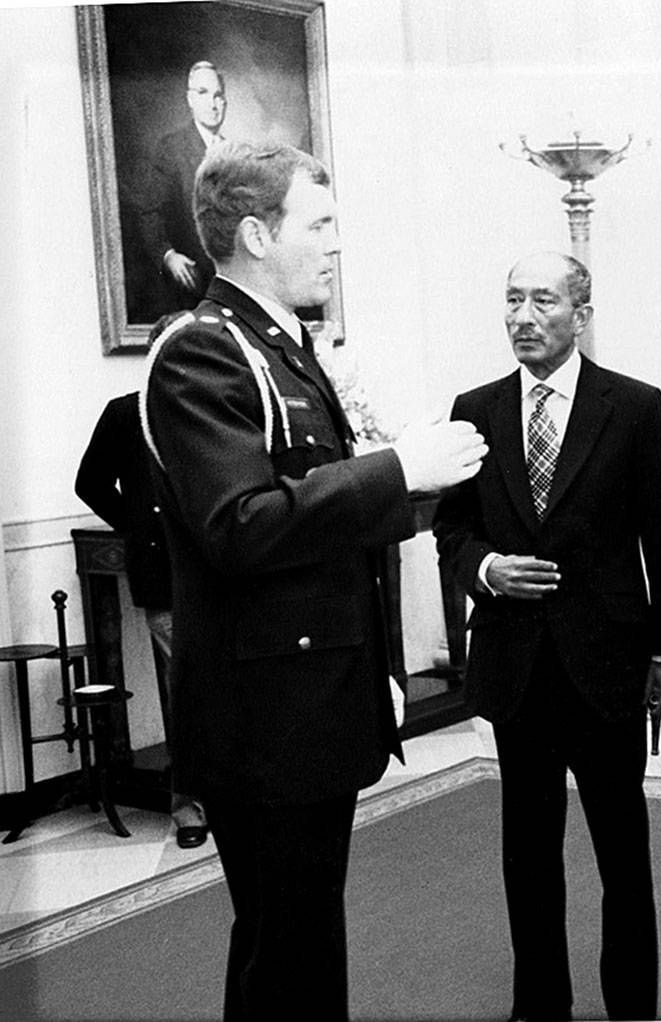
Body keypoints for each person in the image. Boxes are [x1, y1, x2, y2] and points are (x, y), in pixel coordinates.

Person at [142, 140, 487, 1020]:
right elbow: (240, 526)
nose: (336, 244)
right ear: (257, 234)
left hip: (307, 696)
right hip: (263, 714)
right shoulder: (202, 352)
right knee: (285, 953)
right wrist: (398, 468)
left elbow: (322, 527)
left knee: (294, 943)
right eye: (320, 224)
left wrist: (374, 666)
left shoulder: (281, 347)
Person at [433, 251, 661, 1022]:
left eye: (543, 300)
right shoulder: (473, 408)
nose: (522, 316)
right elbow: (453, 527)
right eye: (512, 300)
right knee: (529, 856)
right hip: (516, 664)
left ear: (581, 313)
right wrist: (486, 571)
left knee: (622, 857)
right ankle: (538, 1006)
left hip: (605, 665)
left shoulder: (634, 407)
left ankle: (631, 1007)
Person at [75, 352, 208, 849]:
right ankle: (187, 807)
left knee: (234, 691)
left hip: (224, 575)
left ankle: (242, 799)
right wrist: (136, 528)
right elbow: (89, 482)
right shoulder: (124, 413)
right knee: (186, 694)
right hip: (166, 581)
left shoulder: (212, 408)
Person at [139, 61, 226, 313]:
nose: (212, 103)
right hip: (190, 282)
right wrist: (168, 256)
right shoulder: (170, 149)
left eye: (218, 95)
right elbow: (150, 213)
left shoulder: (235, 155)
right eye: (203, 93)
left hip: (229, 285)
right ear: (190, 99)